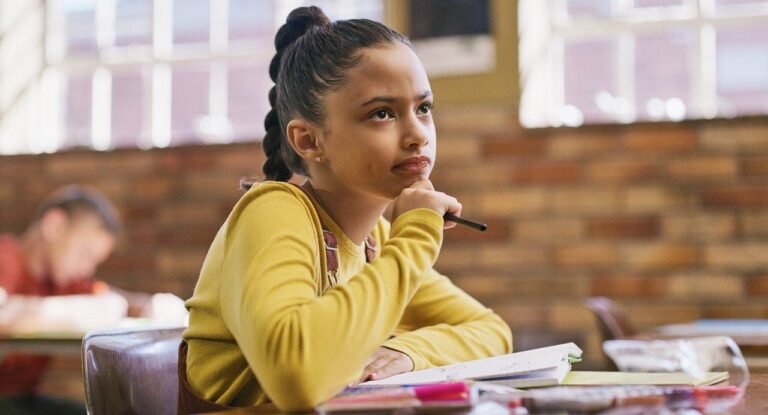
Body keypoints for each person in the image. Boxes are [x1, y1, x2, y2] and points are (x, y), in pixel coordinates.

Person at [181, 6, 512, 413]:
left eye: (423, 108)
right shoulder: (273, 210)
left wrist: (408, 353)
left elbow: (492, 332)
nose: (417, 136)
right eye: (382, 113)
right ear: (308, 141)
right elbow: (297, 378)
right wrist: (419, 235)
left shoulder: (378, 238)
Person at [0, 185, 184, 415]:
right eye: (84, 253)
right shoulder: (6, 258)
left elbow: (117, 300)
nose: (87, 268)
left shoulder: (66, 281)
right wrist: (73, 311)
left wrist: (152, 304)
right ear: (54, 226)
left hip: (25, 399)